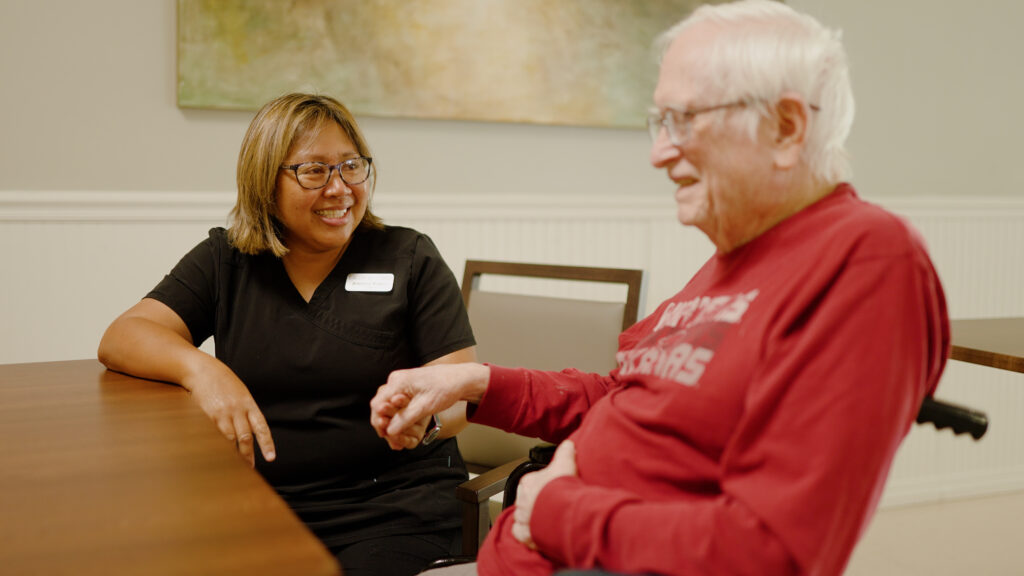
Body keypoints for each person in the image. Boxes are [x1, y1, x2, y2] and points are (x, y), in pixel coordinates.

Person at [370, 2, 950, 575]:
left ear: (785, 127)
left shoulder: (868, 257)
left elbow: (774, 552)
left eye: (684, 121)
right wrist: (474, 382)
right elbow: (626, 397)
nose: (658, 153)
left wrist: (554, 510)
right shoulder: (735, 256)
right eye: (660, 122)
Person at [97, 93, 477, 576]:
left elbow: (459, 392)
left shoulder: (409, 257)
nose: (339, 189)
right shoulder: (227, 260)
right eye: (314, 171)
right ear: (265, 181)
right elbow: (123, 335)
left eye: (351, 167)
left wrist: (425, 415)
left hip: (394, 509)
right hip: (263, 505)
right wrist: (204, 370)